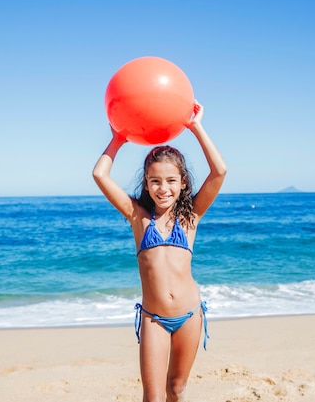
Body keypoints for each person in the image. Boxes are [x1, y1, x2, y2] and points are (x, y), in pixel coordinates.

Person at [92, 101, 227, 402]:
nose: (162, 188)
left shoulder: (191, 216)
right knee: (152, 397)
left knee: (176, 389)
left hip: (190, 316)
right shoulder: (137, 216)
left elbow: (219, 171)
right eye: (155, 181)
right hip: (154, 319)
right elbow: (100, 175)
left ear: (182, 183)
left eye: (170, 181)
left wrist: (196, 127)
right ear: (147, 183)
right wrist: (117, 139)